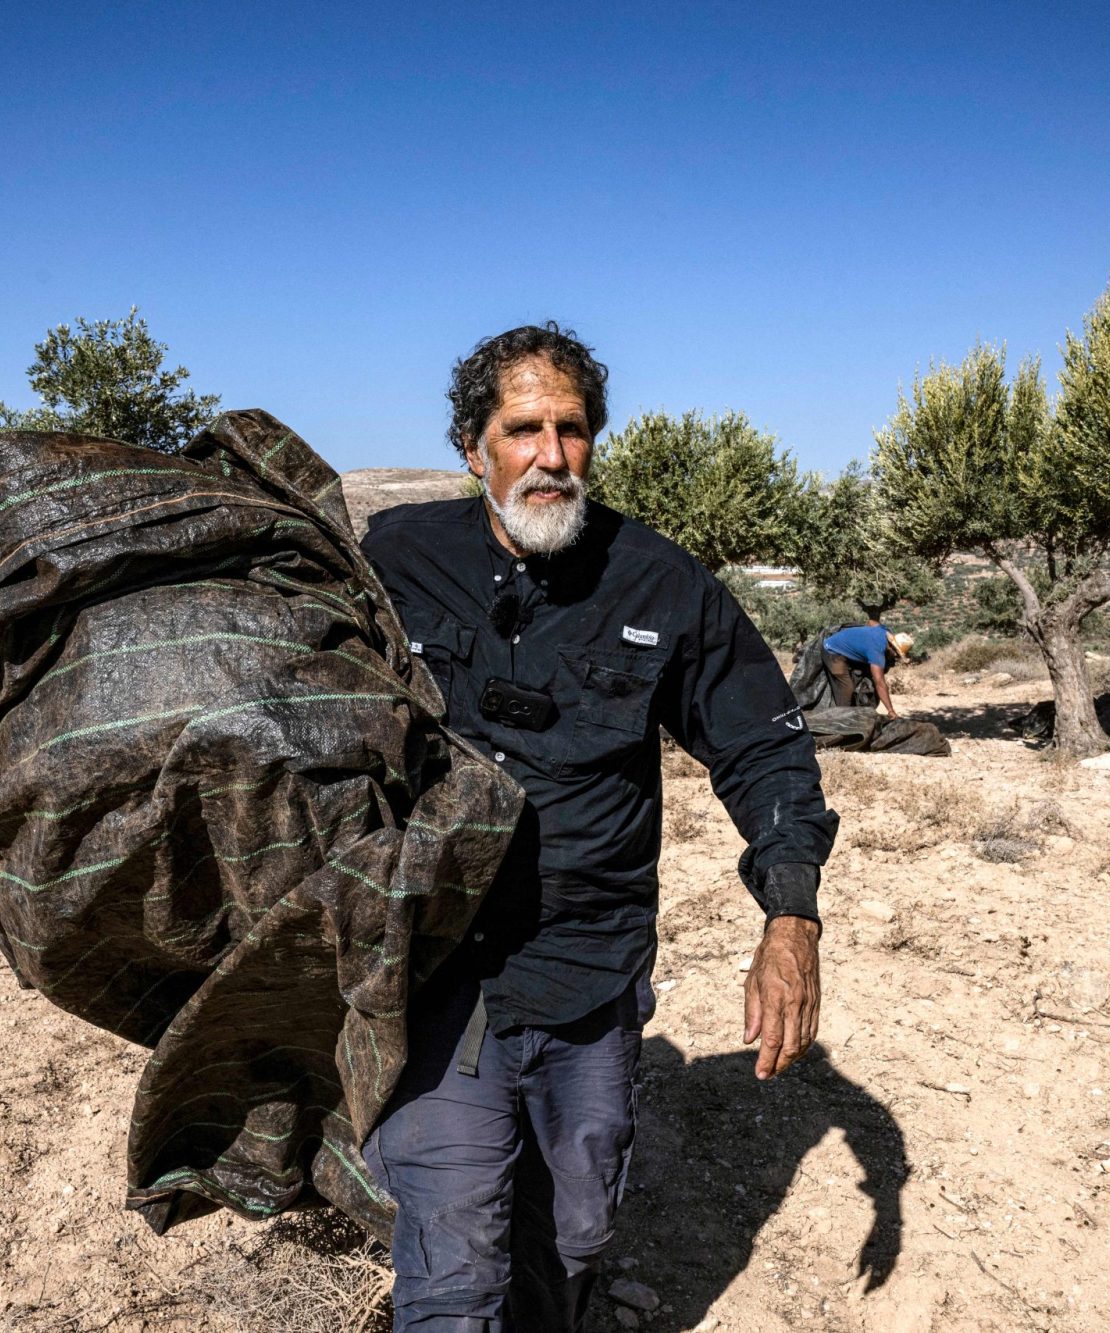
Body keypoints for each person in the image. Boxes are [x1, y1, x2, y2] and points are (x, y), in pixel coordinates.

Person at [360, 323, 839, 1331]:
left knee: (570, 1240)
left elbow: (762, 747)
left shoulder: (661, 583)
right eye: (522, 428)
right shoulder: (395, 561)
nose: (548, 455)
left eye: (570, 429)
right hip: (441, 978)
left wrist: (789, 920)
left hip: (591, 977)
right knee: (455, 1272)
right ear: (472, 447)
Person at [819, 619, 911, 717]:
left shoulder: (882, 630)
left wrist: (862, 636)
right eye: (897, 654)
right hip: (832, 651)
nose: (896, 656)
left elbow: (871, 622)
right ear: (892, 646)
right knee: (847, 688)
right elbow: (880, 683)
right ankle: (841, 718)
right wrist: (890, 710)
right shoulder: (877, 652)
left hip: (841, 644)